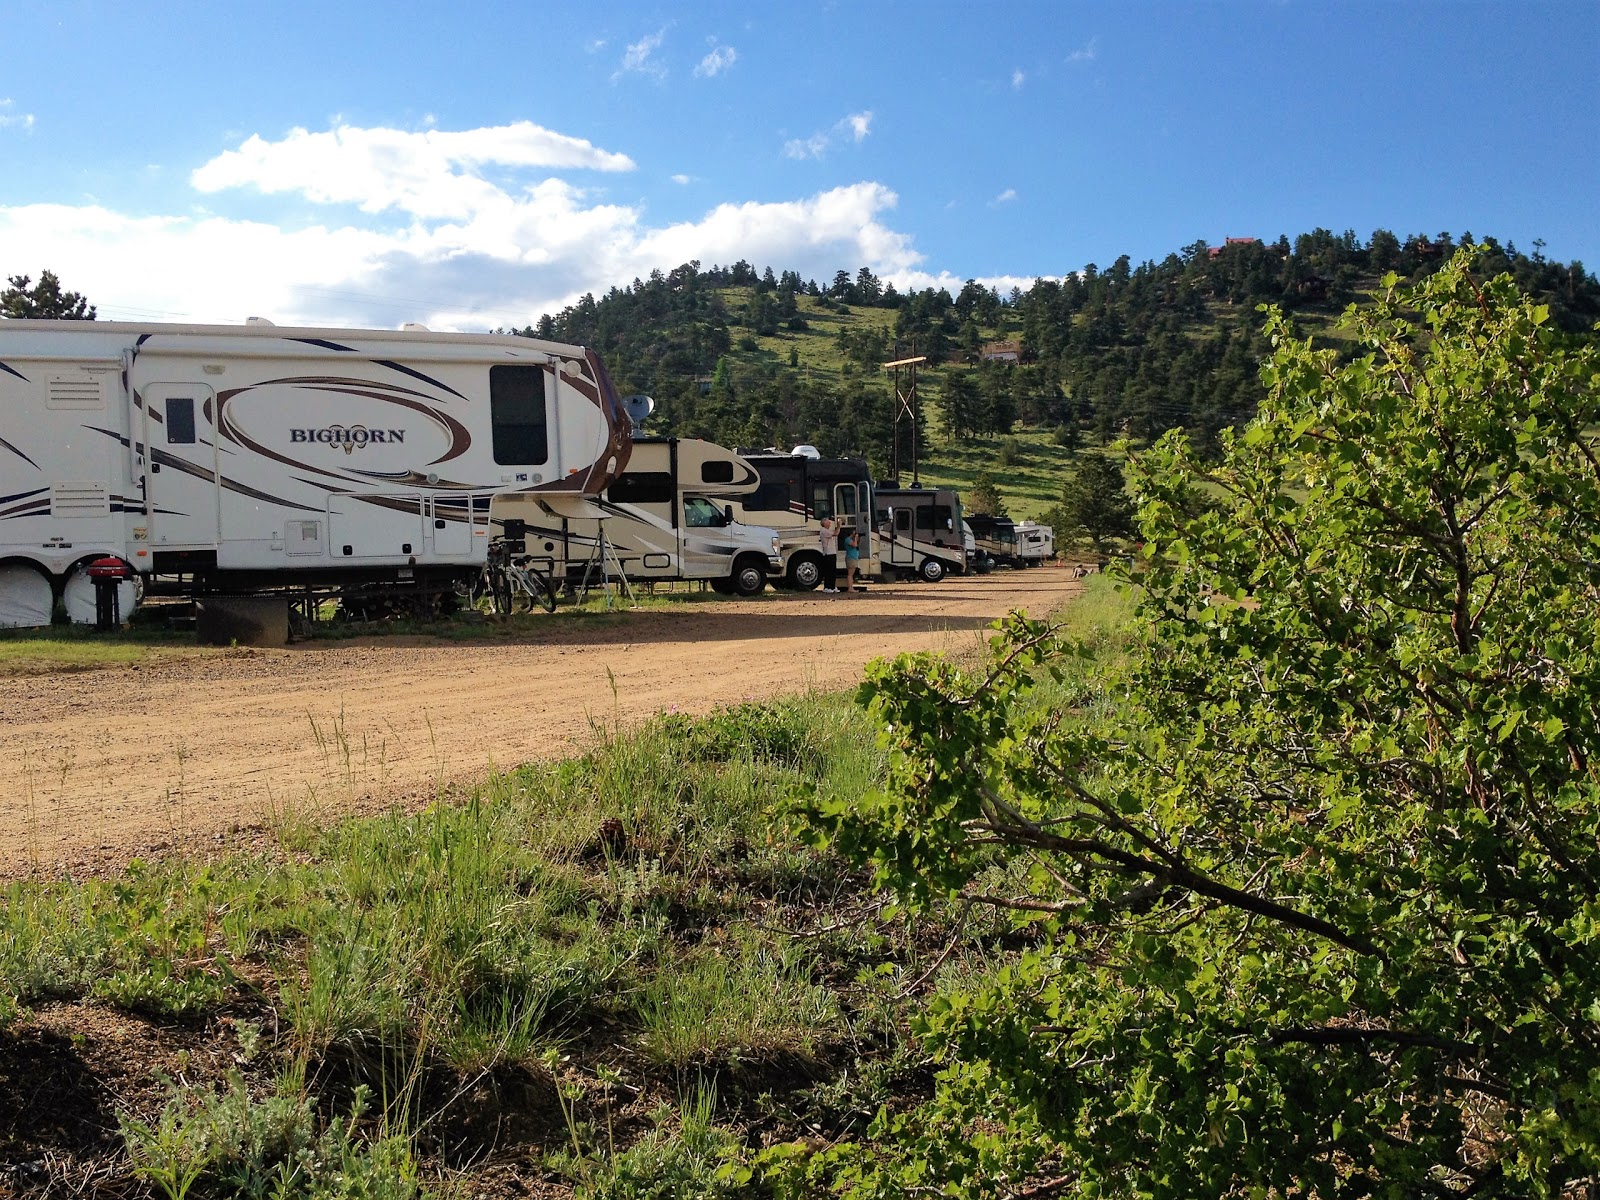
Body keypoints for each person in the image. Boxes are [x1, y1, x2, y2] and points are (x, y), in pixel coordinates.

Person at [818, 516, 839, 593]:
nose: (829, 522)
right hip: (828, 553)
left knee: (833, 570)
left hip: (832, 552)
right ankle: (827, 587)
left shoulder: (827, 530)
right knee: (829, 571)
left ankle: (832, 586)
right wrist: (839, 526)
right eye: (827, 521)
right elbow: (836, 533)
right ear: (824, 523)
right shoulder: (823, 531)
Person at [842, 524, 862, 592]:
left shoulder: (851, 539)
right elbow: (854, 545)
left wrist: (858, 539)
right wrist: (856, 538)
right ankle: (850, 588)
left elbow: (857, 545)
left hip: (854, 557)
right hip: (851, 558)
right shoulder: (848, 540)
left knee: (851, 574)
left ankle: (851, 587)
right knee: (850, 574)